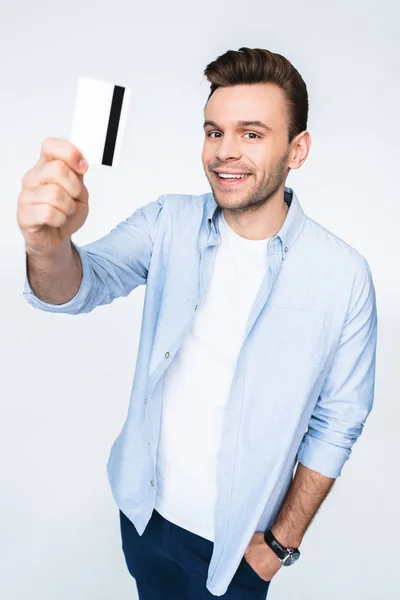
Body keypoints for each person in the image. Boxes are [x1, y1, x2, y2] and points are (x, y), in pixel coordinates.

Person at [17, 47, 378, 599]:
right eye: (214, 132)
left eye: (252, 134)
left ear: (297, 149)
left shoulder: (344, 276)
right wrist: (47, 245)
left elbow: (339, 423)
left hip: (238, 552)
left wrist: (278, 545)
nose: (225, 153)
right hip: (143, 515)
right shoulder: (167, 221)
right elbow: (81, 284)